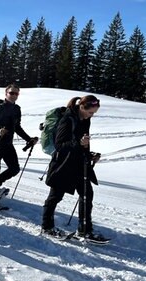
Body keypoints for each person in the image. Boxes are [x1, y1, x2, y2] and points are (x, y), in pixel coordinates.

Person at [41, 95, 105, 240]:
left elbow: (84, 143)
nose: (92, 115)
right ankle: (47, 227)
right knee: (55, 196)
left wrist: (90, 155)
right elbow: (59, 146)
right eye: (91, 112)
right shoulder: (67, 120)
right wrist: (79, 143)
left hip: (79, 164)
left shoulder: (85, 120)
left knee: (87, 194)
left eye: (94, 113)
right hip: (63, 165)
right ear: (82, 107)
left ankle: (84, 230)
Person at [0, 84, 38, 207]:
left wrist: (28, 139)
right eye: (11, 93)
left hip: (8, 143)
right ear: (6, 94)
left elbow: (17, 127)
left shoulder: (16, 109)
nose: (14, 95)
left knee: (14, 168)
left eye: (16, 93)